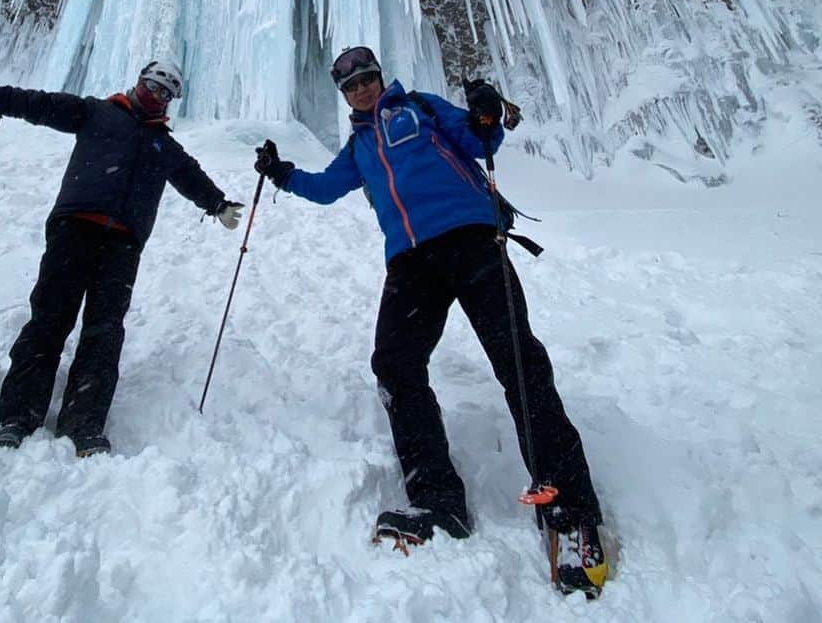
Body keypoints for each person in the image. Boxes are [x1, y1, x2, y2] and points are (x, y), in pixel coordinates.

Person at [253, 46, 607, 597]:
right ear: (344, 95)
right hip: (412, 261)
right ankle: (438, 501)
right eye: (351, 87)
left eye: (367, 80)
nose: (362, 91)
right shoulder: (358, 147)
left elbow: (479, 138)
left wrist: (487, 111)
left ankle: (570, 506)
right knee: (395, 365)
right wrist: (282, 174)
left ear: (379, 79)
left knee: (517, 360)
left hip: (471, 240)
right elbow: (325, 189)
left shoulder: (420, 108)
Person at [0, 59, 243, 458]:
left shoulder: (163, 145)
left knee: (104, 331)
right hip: (75, 228)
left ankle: (84, 423)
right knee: (50, 318)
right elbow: (39, 104)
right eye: (154, 86)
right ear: (140, 82)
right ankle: (18, 415)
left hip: (123, 245)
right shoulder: (96, 112)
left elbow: (190, 176)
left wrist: (217, 204)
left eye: (167, 93)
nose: (158, 97)